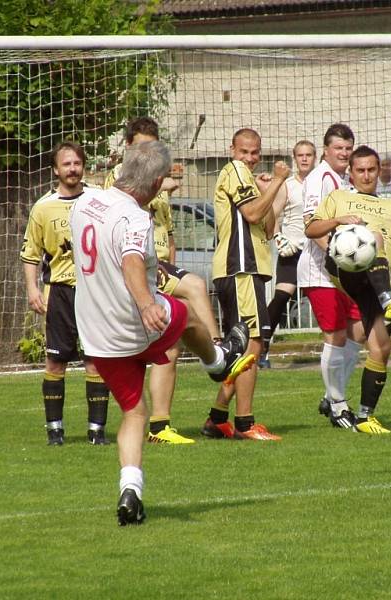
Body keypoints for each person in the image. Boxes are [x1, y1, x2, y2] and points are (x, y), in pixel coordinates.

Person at [70, 140, 254, 525]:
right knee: (185, 314)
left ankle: (130, 491)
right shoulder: (136, 218)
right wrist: (145, 303)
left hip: (97, 334)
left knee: (135, 413)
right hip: (133, 322)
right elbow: (132, 259)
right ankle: (218, 361)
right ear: (156, 185)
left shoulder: (84, 203)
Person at [105, 117, 222, 445]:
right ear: (129, 146)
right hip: (135, 270)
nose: (149, 151)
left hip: (158, 265)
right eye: (143, 145)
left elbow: (166, 229)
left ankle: (216, 351)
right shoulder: (118, 181)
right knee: (166, 339)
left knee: (192, 293)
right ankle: (217, 358)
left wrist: (168, 258)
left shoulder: (156, 180)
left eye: (154, 146)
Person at [297, 124, 391, 428]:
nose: (366, 174)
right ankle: (337, 406)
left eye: (371, 169)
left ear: (379, 171)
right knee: (336, 335)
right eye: (359, 169)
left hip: (369, 279)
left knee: (376, 344)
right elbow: (310, 227)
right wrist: (338, 233)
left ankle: (362, 413)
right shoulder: (333, 192)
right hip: (337, 270)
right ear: (350, 172)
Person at [201, 128, 290, 441]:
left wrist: (271, 190)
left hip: (247, 270)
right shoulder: (235, 170)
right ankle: (244, 424)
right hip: (240, 268)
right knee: (252, 344)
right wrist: (279, 179)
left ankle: (216, 419)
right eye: (244, 152)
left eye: (255, 153)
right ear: (232, 150)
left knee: (246, 346)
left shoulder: (248, 177)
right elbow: (252, 214)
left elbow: (267, 225)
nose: (250, 158)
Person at [21, 141, 110, 446]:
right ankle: (55, 430)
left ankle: (96, 432)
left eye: (77, 163)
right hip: (60, 293)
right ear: (55, 170)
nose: (72, 169)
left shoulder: (99, 200)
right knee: (55, 362)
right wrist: (33, 288)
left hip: (95, 292)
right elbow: (31, 253)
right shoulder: (43, 207)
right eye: (66, 164)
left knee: (96, 361)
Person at [258, 140, 317, 368]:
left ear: (315, 157)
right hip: (292, 250)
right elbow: (271, 213)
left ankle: (344, 344)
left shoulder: (320, 183)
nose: (304, 159)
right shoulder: (288, 185)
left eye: (309, 155)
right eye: (300, 155)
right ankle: (262, 349)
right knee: (282, 297)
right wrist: (278, 237)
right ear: (295, 158)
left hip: (316, 249)